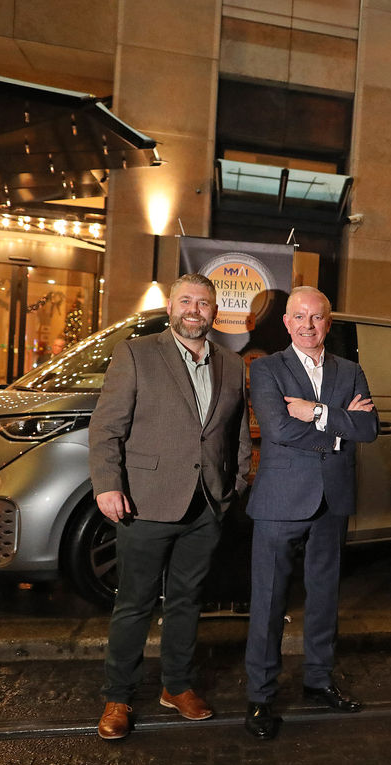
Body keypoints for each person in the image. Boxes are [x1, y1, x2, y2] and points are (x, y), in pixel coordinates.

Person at [89, 273, 251, 740]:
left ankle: (176, 686)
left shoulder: (232, 363)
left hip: (206, 506)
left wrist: (233, 485)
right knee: (134, 603)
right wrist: (107, 485)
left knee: (187, 602)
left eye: (203, 303)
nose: (194, 310)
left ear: (215, 312)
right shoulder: (137, 354)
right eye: (186, 301)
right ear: (172, 306)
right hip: (144, 502)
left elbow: (236, 432)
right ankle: (118, 695)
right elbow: (106, 428)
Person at [243, 286, 378, 740]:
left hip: (332, 501)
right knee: (269, 601)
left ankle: (319, 679)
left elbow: (370, 427)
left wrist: (316, 411)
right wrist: (339, 425)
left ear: (328, 323)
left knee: (324, 599)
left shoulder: (350, 369)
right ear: (286, 323)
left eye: (316, 318)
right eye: (298, 317)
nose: (307, 325)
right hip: (281, 501)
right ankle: (260, 697)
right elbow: (278, 428)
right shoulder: (266, 369)